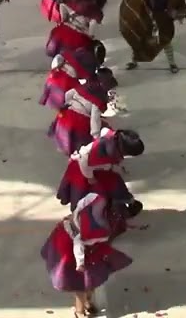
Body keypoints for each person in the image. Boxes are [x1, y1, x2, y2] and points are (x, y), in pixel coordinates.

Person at [41, 188, 133, 318]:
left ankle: (87, 303)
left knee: (89, 280)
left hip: (77, 239)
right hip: (77, 248)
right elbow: (79, 244)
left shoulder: (94, 198)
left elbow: (79, 206)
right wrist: (80, 262)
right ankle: (80, 310)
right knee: (82, 283)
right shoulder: (98, 231)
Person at [56, 127, 145, 238]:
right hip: (83, 171)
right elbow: (84, 161)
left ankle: (126, 202)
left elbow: (103, 131)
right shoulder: (100, 151)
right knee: (96, 195)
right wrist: (90, 177)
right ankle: (85, 223)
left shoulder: (114, 138)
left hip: (97, 169)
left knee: (115, 182)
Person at [118, 0, 186, 72]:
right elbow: (135, 6)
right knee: (138, 41)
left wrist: (182, 14)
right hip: (147, 21)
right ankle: (134, 61)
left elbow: (173, 12)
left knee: (165, 41)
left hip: (162, 22)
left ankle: (172, 64)